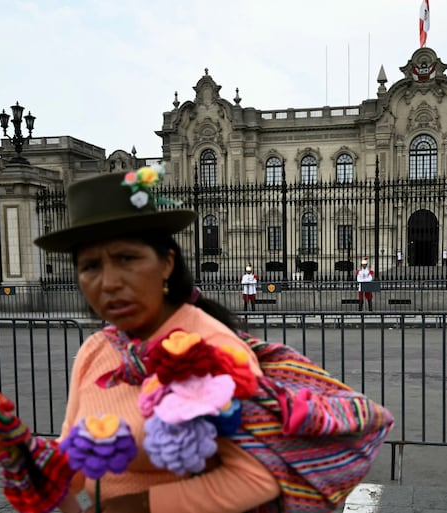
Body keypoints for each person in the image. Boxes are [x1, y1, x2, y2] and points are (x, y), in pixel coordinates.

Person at [34, 170, 280, 513]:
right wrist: (34, 462)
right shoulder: (95, 350)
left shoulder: (215, 347)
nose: (109, 283)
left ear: (166, 263)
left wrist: (136, 506)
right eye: (90, 266)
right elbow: (74, 461)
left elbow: (258, 477)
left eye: (126, 258)